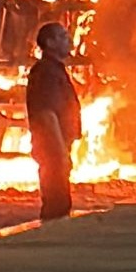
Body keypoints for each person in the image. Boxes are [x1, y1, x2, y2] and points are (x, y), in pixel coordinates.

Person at [26, 21, 81, 220]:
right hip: (52, 148)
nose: (69, 40)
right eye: (63, 36)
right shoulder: (46, 73)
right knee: (57, 204)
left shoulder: (54, 70)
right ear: (49, 43)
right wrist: (60, 152)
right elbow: (47, 115)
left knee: (60, 201)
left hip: (57, 147)